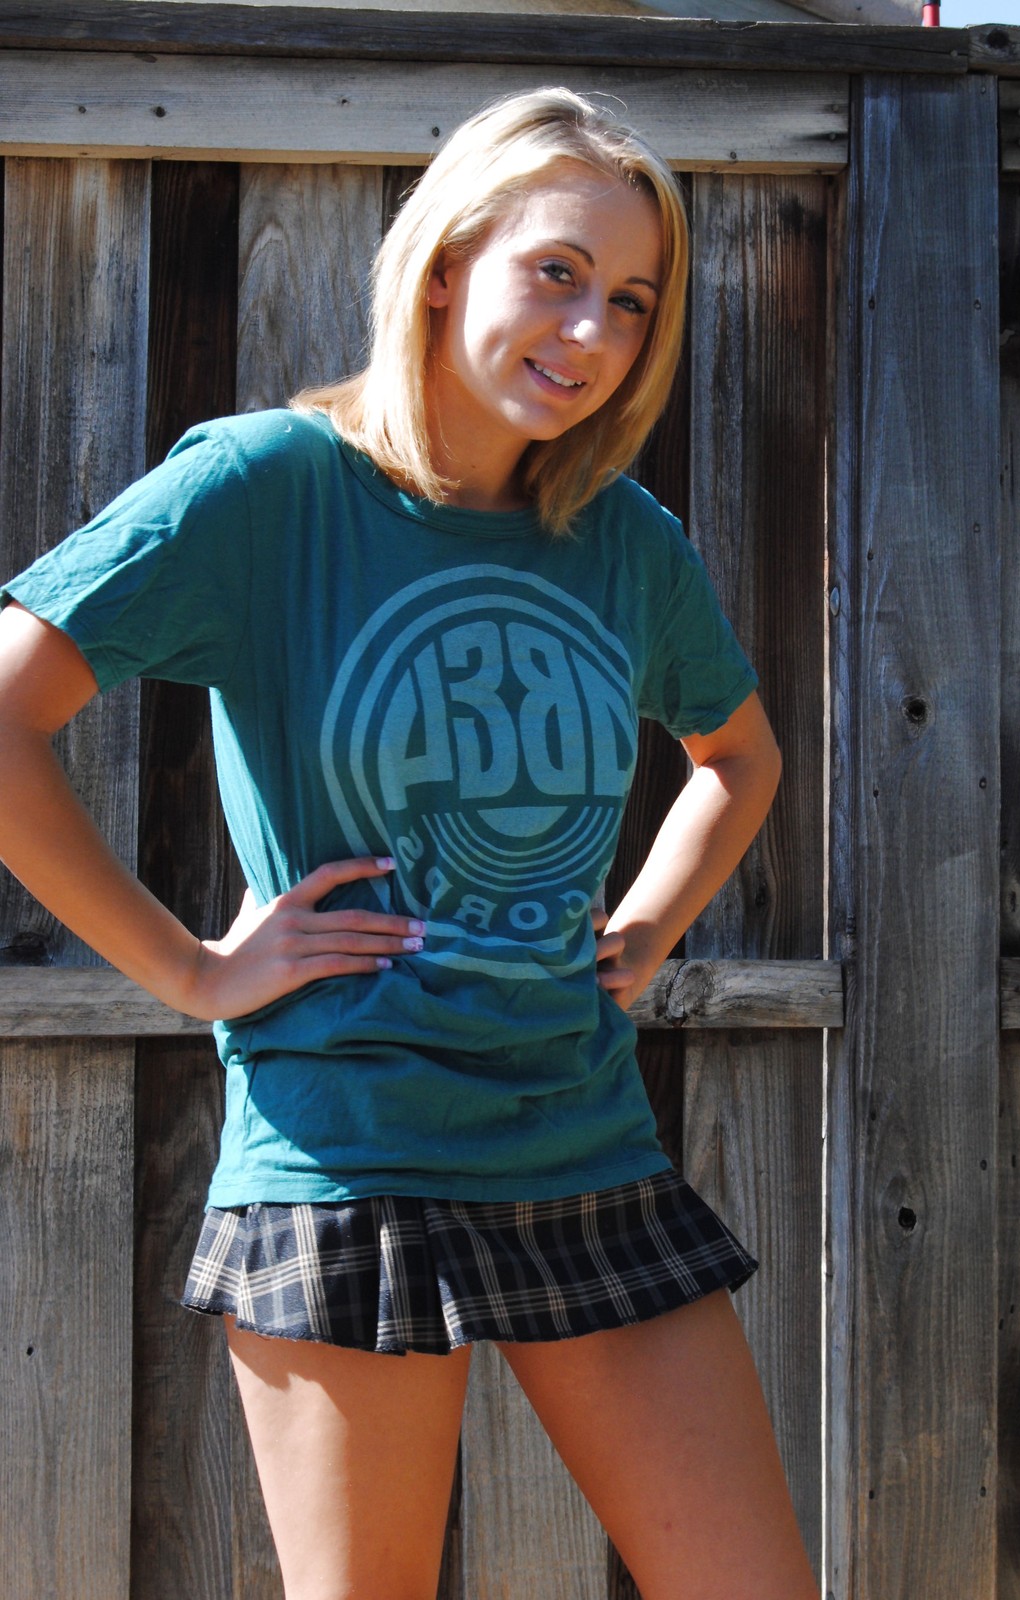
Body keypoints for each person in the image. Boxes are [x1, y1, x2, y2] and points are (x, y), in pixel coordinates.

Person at [0, 88, 817, 1600]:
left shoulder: (623, 541)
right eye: (557, 271)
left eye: (633, 300)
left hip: (580, 1134)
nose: (593, 330)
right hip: (346, 1147)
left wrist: (643, 929)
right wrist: (192, 972)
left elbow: (739, 759)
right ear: (445, 264)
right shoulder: (265, 488)